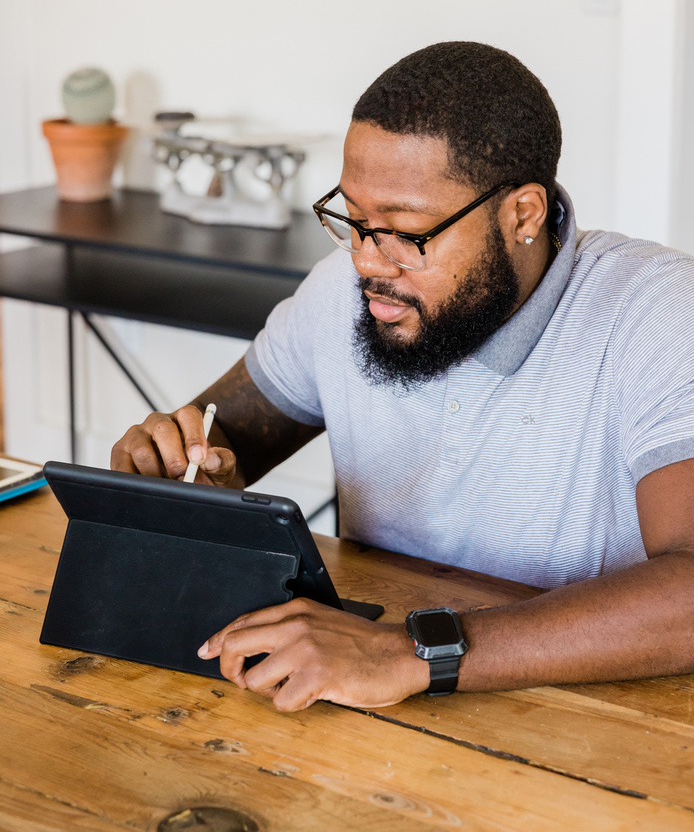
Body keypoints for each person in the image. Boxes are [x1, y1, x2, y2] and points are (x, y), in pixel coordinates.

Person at [112, 41, 694, 712]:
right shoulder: (344, 290)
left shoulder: (658, 315)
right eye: (352, 217)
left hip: (589, 721)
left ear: (524, 215)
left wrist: (412, 650)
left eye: (407, 232)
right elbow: (220, 440)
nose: (365, 259)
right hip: (355, 706)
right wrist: (182, 473)